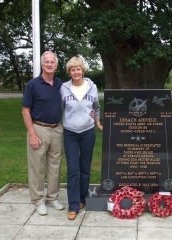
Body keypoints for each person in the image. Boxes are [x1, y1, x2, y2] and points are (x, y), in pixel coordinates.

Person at [22, 51, 64, 215]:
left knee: (55, 166)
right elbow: (25, 111)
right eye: (46, 62)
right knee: (37, 167)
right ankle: (38, 200)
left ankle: (52, 198)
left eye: (52, 62)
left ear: (56, 65)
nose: (49, 64)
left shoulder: (60, 84)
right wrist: (32, 134)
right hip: (38, 128)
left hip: (57, 129)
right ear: (42, 64)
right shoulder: (33, 84)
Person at [60, 56, 103, 220]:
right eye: (72, 70)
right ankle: (72, 205)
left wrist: (97, 122)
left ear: (82, 70)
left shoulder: (92, 87)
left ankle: (82, 199)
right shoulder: (64, 88)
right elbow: (58, 108)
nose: (76, 72)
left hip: (87, 132)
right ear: (69, 72)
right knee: (73, 170)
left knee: (85, 168)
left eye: (78, 69)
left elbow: (96, 107)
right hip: (70, 133)